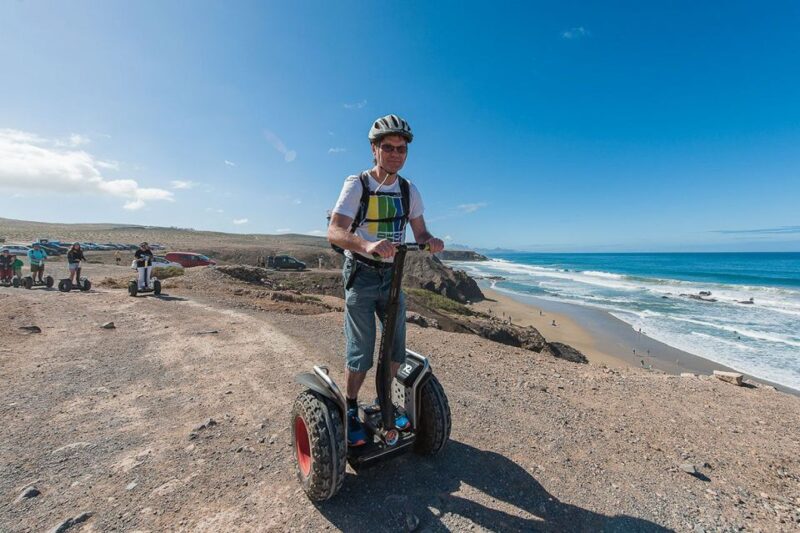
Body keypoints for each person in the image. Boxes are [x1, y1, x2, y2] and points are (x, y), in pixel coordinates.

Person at [327, 114, 444, 446]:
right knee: (361, 351)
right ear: (374, 149)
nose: (396, 154)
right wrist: (367, 245)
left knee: (394, 346)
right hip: (361, 274)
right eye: (389, 147)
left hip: (392, 276)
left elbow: (420, 232)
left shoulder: (409, 190)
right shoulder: (358, 185)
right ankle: (350, 407)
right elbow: (334, 231)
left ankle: (383, 403)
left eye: (402, 149)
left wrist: (431, 241)